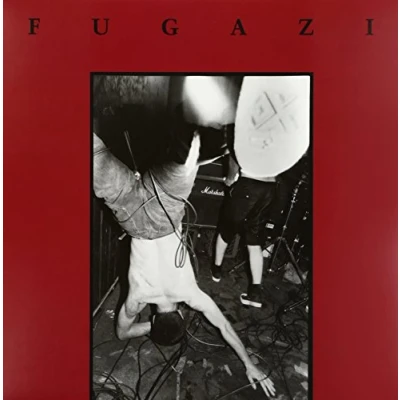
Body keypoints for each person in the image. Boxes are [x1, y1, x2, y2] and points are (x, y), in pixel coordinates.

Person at [93, 121, 276, 397]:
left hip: (164, 212)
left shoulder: (190, 294)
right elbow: (122, 333)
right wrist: (153, 329)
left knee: (188, 155)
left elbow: (224, 328)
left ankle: (209, 137)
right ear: (155, 319)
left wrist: (250, 364)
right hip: (130, 216)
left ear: (179, 313)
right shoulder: (137, 300)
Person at [212, 134, 280, 309]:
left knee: (226, 228)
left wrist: (229, 179)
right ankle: (255, 293)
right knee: (254, 240)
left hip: (249, 184)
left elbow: (234, 156)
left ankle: (216, 270)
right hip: (270, 187)